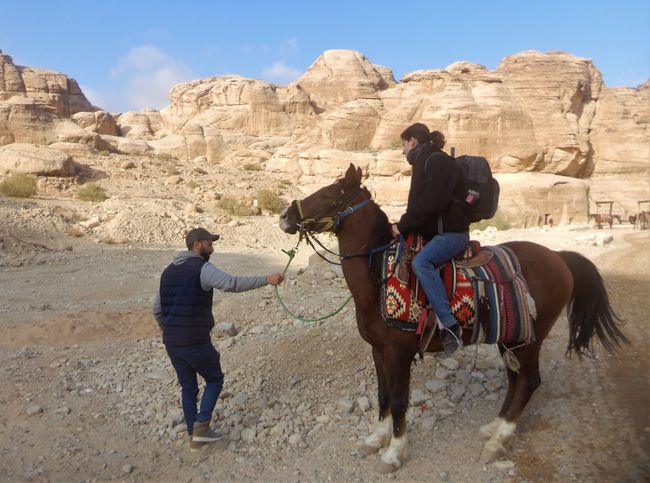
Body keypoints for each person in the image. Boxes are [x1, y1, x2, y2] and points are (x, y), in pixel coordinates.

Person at [153, 227, 284, 450]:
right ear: (196, 245)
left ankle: (192, 435)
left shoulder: (168, 271)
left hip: (172, 341)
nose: (212, 248)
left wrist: (166, 328)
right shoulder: (201, 268)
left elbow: (157, 307)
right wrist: (266, 279)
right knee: (214, 379)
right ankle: (202, 428)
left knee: (188, 387)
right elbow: (230, 284)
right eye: (209, 244)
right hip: (194, 338)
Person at [390, 123, 470, 354]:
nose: (403, 151)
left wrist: (403, 225)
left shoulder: (436, 161)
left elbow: (432, 203)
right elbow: (422, 205)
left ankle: (450, 325)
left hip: (452, 234)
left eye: (403, 145)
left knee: (421, 263)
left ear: (413, 141)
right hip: (436, 232)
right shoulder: (426, 161)